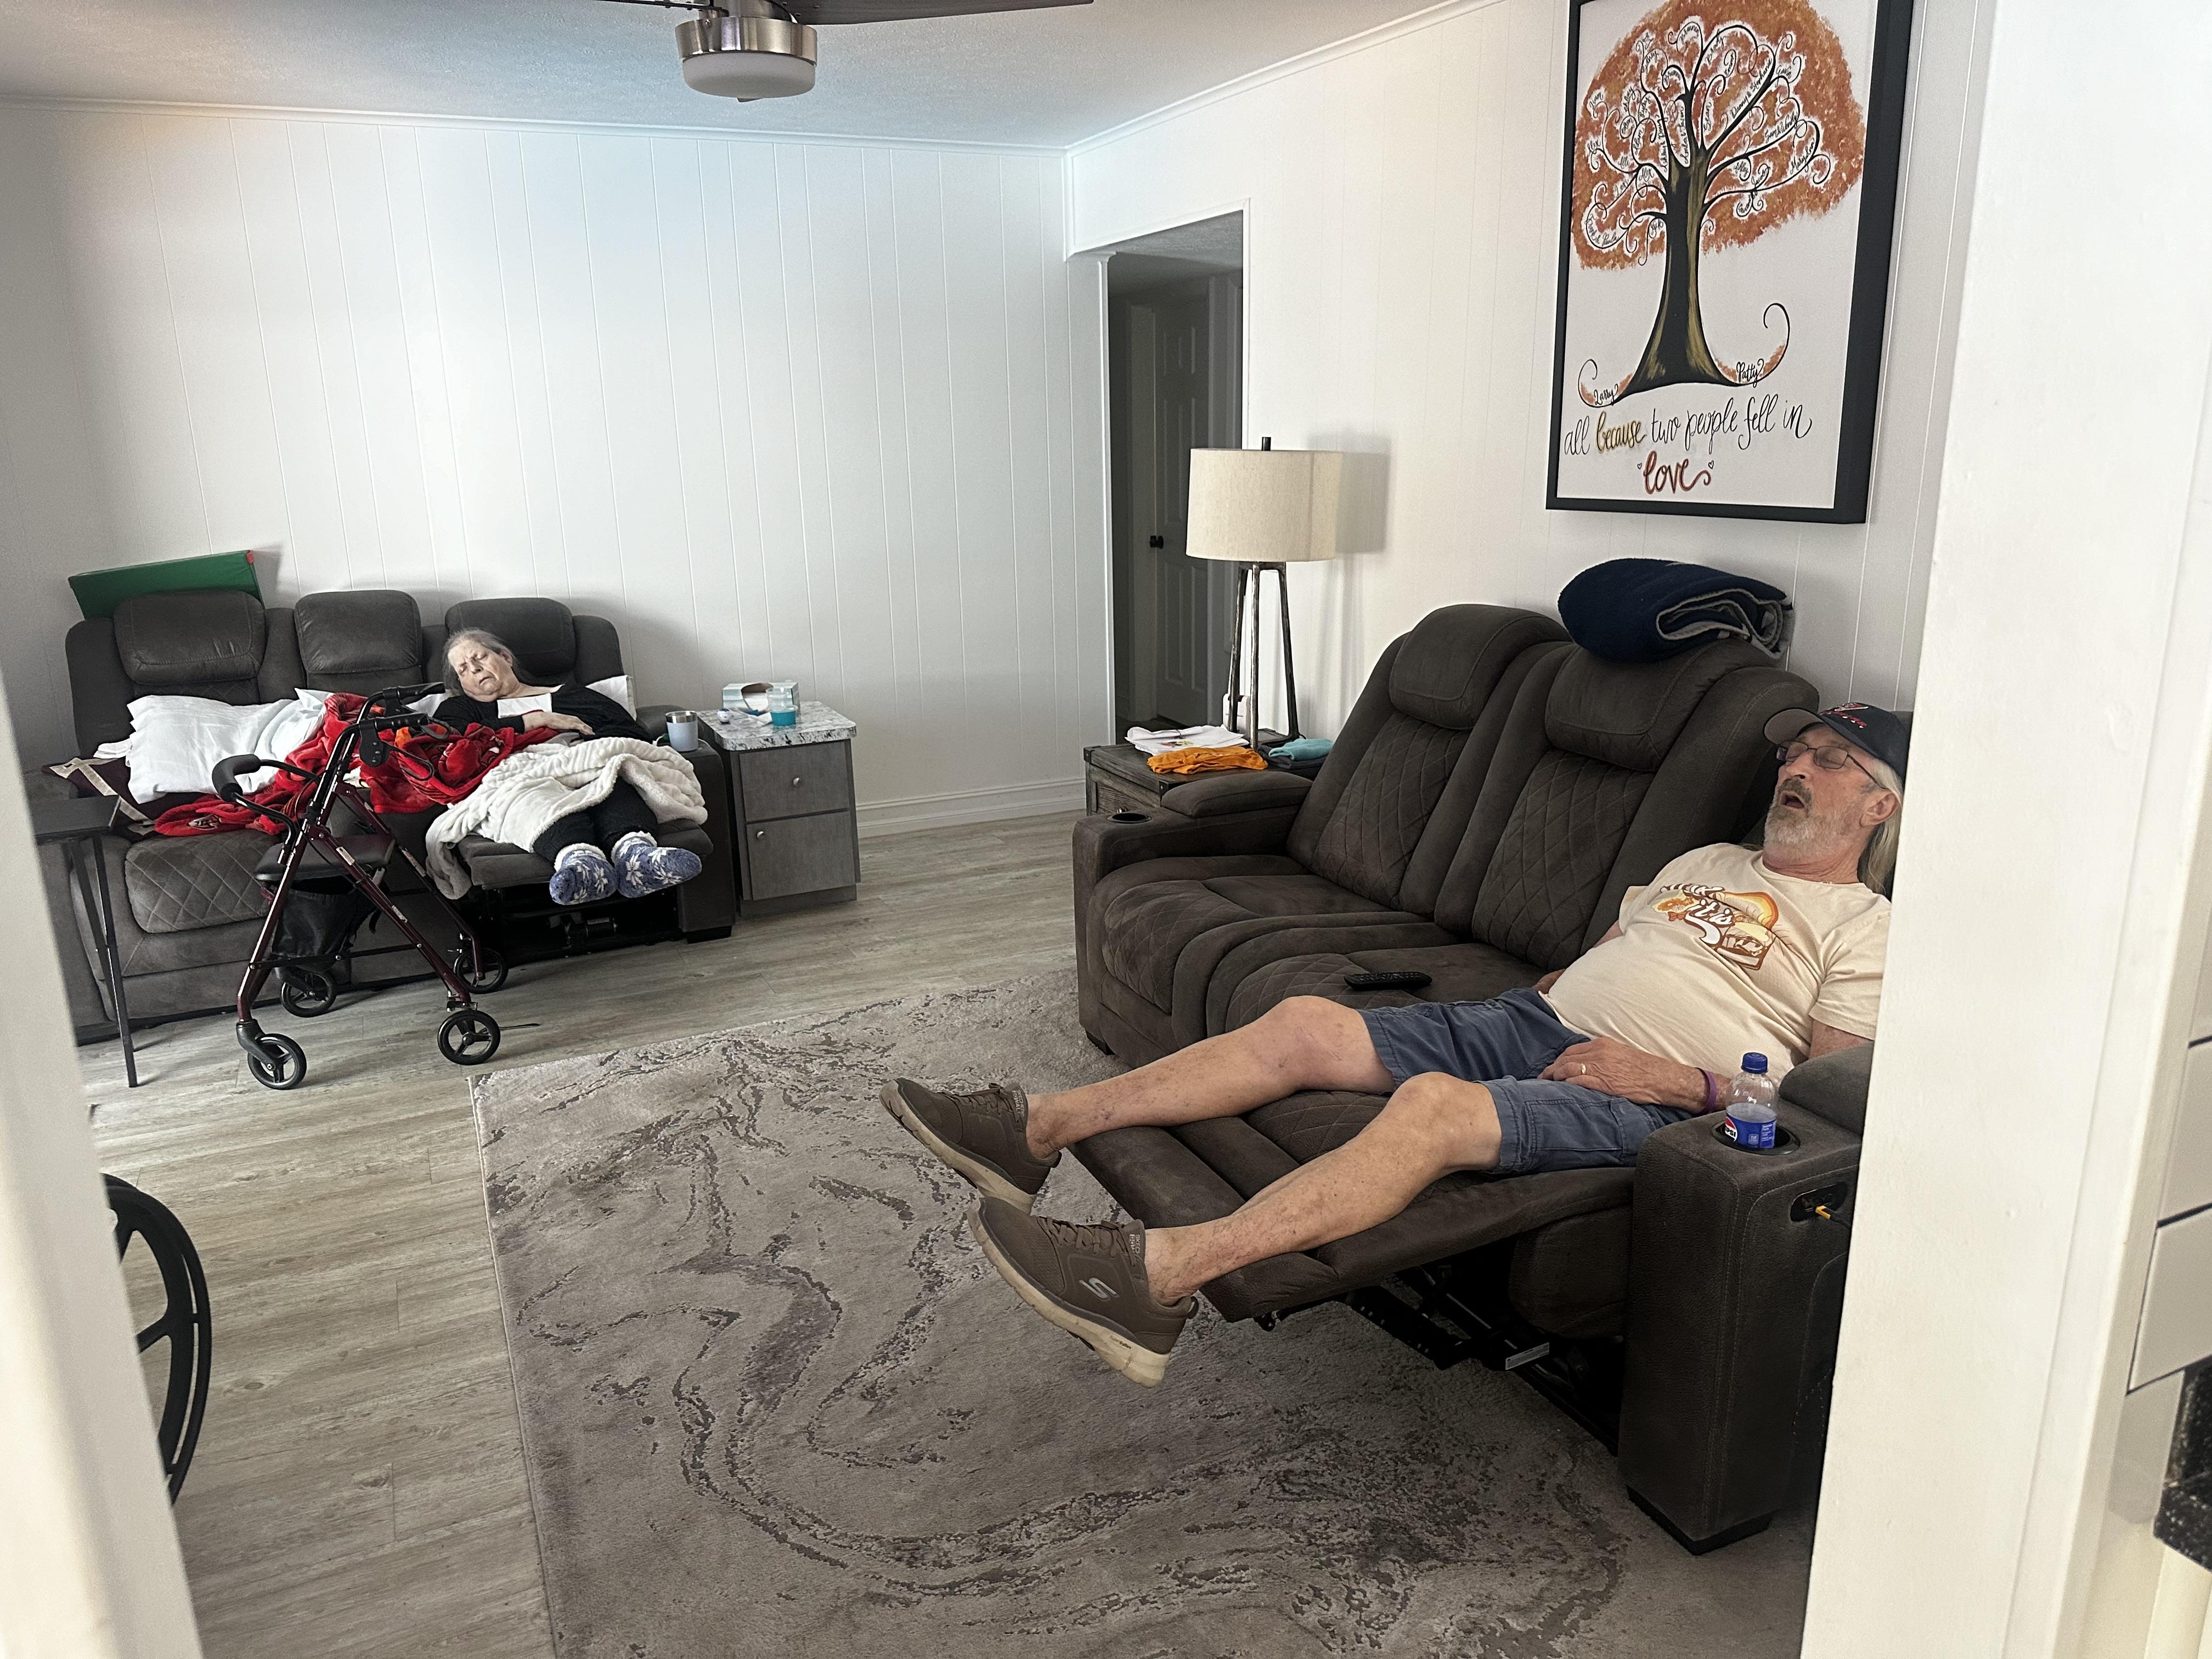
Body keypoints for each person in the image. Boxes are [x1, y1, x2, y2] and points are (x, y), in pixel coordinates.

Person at [882, 702, 1908, 1387]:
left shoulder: (1866, 926)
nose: (1795, 766)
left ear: (1880, 802)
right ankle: (1035, 1127)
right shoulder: (1708, 855)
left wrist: (1680, 1080)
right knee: (1302, 1022)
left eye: (1829, 759)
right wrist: (1489, 1020)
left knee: (1429, 1111)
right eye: (1792, 751)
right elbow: (1596, 960)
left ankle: (1159, 1278)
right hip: (1535, 1021)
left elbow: (1825, 1097)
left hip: (1647, 1094)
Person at [435, 628, 702, 906]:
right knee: (531, 796)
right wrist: (535, 721)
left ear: (505, 657)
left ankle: (637, 857)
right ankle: (581, 865)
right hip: (520, 776)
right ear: (463, 685)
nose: (475, 669)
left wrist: (586, 754)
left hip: (585, 761)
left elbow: (629, 734)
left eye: (480, 657)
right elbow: (452, 741)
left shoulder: (574, 696)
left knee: (611, 776)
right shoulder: (462, 710)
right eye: (463, 669)